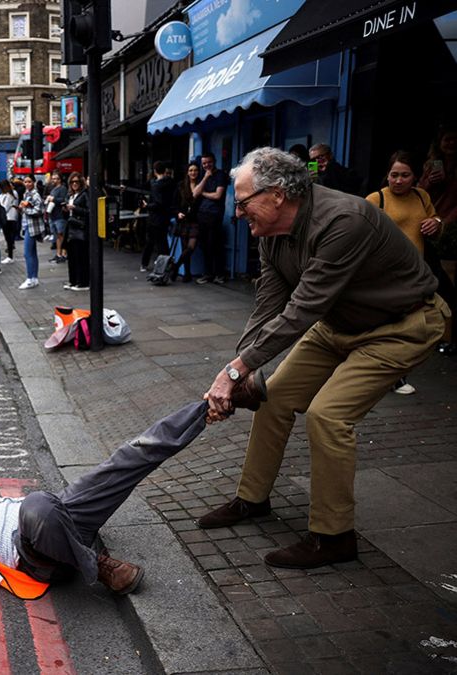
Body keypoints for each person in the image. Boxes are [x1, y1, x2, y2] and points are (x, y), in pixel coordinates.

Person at [197, 147, 448, 569]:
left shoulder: (342, 221)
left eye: (242, 203)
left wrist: (233, 371)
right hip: (338, 324)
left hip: (401, 326)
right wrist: (242, 369)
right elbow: (269, 304)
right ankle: (251, 499)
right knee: (272, 398)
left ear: (277, 194)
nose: (237, 213)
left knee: (328, 416)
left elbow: (303, 308)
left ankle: (333, 537)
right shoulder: (271, 233)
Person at [0, 400, 232, 662]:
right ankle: (99, 567)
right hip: (31, 555)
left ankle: (206, 407)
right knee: (38, 503)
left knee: (126, 458)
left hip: (56, 518)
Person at [366, 150, 443, 395]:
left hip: (415, 274)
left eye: (405, 175)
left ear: (415, 176)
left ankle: (395, 375)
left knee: (407, 327)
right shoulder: (376, 200)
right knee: (386, 325)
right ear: (387, 176)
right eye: (394, 175)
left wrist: (437, 223)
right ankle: (386, 375)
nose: (398, 180)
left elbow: (433, 221)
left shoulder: (422, 197)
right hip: (385, 275)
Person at [419, 125, 457, 355]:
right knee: (437, 286)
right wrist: (432, 181)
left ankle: (449, 337)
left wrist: (446, 222)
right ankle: (440, 335)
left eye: (454, 139)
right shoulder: (432, 165)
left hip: (450, 229)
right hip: (433, 229)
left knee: (449, 286)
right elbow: (420, 193)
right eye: (446, 140)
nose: (450, 144)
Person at [192, 153, 228, 284]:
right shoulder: (203, 175)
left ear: (214, 161)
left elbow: (218, 195)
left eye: (209, 162)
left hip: (215, 214)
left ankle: (220, 274)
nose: (207, 165)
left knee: (215, 244)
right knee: (204, 245)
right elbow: (195, 193)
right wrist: (205, 178)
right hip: (202, 214)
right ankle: (208, 274)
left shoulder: (220, 175)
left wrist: (204, 193)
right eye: (204, 163)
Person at [141, 161, 176, 272]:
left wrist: (147, 206)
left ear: (155, 171)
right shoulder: (171, 182)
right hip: (165, 217)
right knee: (163, 243)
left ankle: (145, 264)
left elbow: (158, 203)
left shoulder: (155, 184)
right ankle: (165, 266)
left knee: (151, 242)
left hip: (155, 217)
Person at [172, 162, 201, 283]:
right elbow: (174, 204)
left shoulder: (201, 185)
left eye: (195, 170)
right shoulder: (181, 186)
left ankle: (176, 267)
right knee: (185, 248)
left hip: (196, 221)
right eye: (191, 170)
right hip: (184, 220)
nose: (193, 172)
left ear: (198, 172)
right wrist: (178, 213)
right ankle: (187, 274)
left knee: (190, 247)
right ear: (187, 172)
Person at [63, 172, 89, 291]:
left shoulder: (84, 195)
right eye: (72, 182)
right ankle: (73, 281)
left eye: (77, 182)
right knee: (72, 256)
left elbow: (89, 211)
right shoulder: (71, 196)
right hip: (71, 228)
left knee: (80, 256)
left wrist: (75, 208)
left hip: (80, 228)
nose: (74, 184)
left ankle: (82, 282)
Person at [18, 176, 44, 290]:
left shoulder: (35, 195)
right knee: (32, 253)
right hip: (28, 225)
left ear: (33, 182)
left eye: (29, 181)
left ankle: (29, 279)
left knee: (27, 253)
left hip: (32, 227)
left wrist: (25, 209)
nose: (27, 184)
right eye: (25, 182)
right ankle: (34, 278)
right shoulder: (27, 194)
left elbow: (39, 210)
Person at [45, 173, 68, 263]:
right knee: (57, 236)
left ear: (60, 180)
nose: (53, 180)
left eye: (56, 179)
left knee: (61, 235)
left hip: (60, 216)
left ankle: (63, 254)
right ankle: (58, 254)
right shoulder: (53, 189)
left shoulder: (62, 189)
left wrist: (53, 199)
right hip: (53, 216)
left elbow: (63, 200)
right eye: (53, 178)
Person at [0, 180, 19, 264]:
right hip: (6, 217)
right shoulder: (3, 195)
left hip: (9, 218)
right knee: (8, 237)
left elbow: (5, 206)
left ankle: (10, 256)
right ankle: (10, 255)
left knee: (9, 237)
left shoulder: (11, 194)